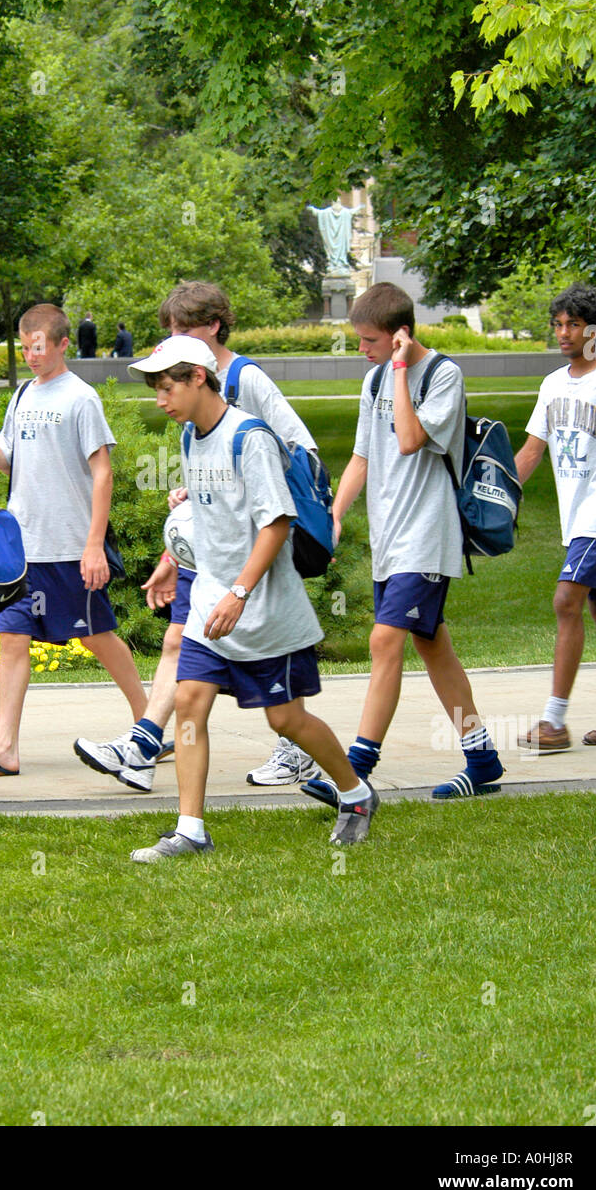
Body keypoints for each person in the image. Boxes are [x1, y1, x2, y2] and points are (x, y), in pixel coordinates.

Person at [119, 336, 376, 860]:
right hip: (211, 599)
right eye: (156, 390)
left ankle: (355, 793)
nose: (160, 400)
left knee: (285, 720)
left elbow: (276, 524)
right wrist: (171, 563)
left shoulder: (249, 437)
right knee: (189, 701)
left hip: (261, 607)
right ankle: (190, 830)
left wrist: (239, 593)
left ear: (197, 378)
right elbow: (207, 519)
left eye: (167, 387)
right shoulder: (192, 437)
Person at [73, 279, 324, 792]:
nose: (173, 340)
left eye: (184, 330)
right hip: (213, 540)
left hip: (254, 544)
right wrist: (192, 501)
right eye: (169, 331)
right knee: (179, 643)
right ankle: (145, 748)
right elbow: (213, 461)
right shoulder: (185, 401)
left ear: (213, 327)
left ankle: (304, 754)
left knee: (274, 692)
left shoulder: (244, 379)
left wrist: (253, 494)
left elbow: (299, 449)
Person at [309, 281, 503, 804]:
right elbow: (363, 457)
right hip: (390, 539)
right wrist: (335, 514)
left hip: (428, 535)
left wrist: (398, 369)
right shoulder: (373, 381)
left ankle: (354, 771)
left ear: (400, 335)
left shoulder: (443, 376)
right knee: (431, 644)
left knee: (384, 640)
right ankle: (482, 757)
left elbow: (412, 439)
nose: (360, 350)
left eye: (370, 340)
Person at [0, 302, 147, 777]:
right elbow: (11, 464)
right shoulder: (22, 395)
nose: (32, 356)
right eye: (24, 348)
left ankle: (150, 726)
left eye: (39, 347)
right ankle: (4, 749)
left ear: (62, 344)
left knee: (97, 638)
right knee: (14, 638)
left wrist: (94, 544)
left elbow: (103, 474)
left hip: (69, 546)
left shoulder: (81, 398)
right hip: (25, 546)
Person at [514, 284, 596, 750]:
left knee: (566, 601)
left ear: (594, 331)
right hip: (577, 516)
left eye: (572, 324)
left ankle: (554, 723)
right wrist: (494, 497)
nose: (563, 333)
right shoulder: (553, 384)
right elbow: (532, 451)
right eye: (557, 324)